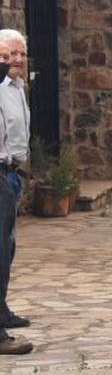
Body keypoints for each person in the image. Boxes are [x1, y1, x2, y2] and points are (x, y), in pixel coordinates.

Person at [0, 30, 31, 331]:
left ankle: (2, 309)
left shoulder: (17, 87)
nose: (17, 59)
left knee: (7, 248)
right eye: (11, 54)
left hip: (12, 175)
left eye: (21, 53)